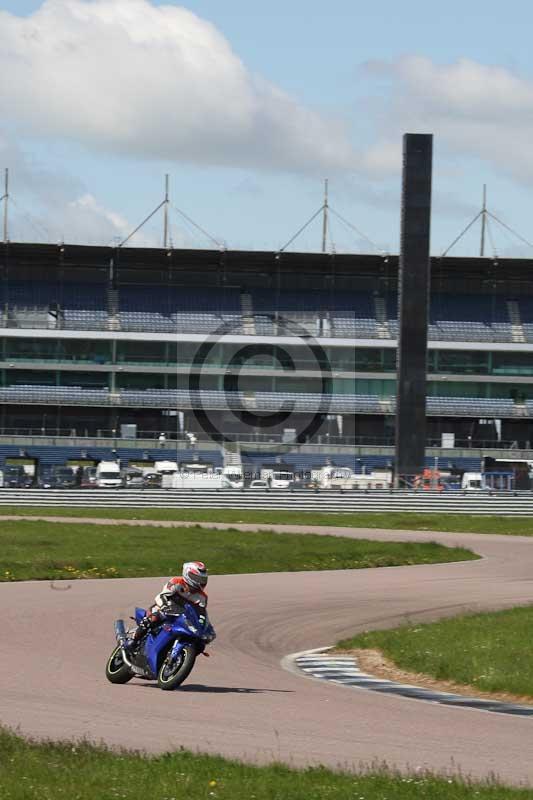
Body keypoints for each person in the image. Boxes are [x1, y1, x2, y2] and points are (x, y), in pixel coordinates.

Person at [128, 561, 208, 647]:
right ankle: (134, 639)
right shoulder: (176, 582)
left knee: (199, 642)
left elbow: (201, 613)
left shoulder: (202, 597)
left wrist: (203, 626)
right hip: (164, 609)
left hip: (183, 617)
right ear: (187, 574)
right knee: (154, 617)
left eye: (203, 579)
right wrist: (165, 607)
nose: (201, 582)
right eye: (197, 578)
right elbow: (161, 596)